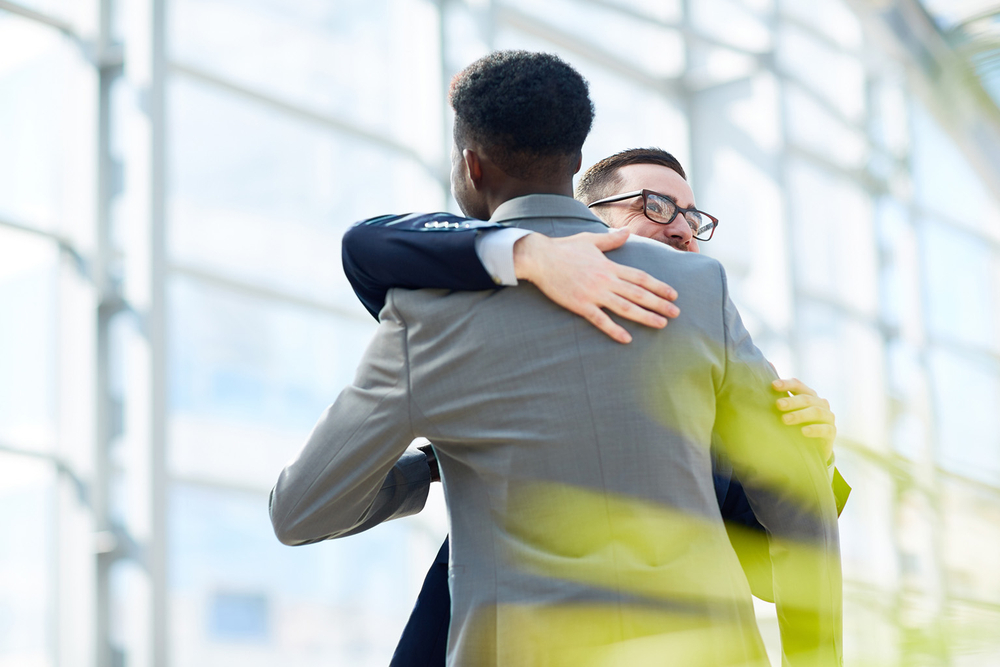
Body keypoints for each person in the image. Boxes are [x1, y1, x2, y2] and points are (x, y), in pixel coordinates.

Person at [270, 50, 842, 666]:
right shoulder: (701, 290)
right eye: (655, 206)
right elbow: (797, 496)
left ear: (471, 163)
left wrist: (427, 469)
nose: (678, 228)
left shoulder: (428, 313)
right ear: (576, 163)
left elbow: (303, 510)